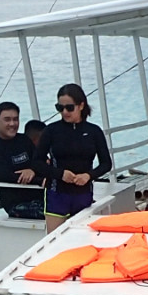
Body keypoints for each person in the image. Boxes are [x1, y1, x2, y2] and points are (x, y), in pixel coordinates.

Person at [39, 83, 111, 230]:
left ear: (81, 105)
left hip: (83, 193)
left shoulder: (94, 131)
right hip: (56, 193)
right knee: (54, 240)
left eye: (69, 108)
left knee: (82, 237)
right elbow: (37, 162)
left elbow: (106, 163)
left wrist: (89, 176)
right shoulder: (51, 131)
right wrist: (60, 174)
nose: (64, 112)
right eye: (60, 108)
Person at [0, 101, 43, 218]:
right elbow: (3, 176)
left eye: (15, 119)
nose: (12, 123)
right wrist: (39, 180)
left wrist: (32, 171)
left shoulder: (24, 140)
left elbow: (40, 161)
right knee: (57, 211)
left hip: (39, 194)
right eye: (7, 120)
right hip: (16, 203)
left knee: (72, 203)